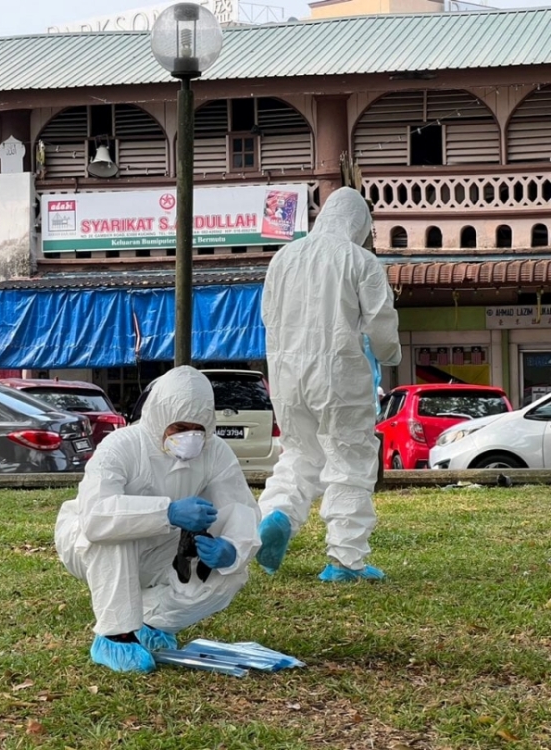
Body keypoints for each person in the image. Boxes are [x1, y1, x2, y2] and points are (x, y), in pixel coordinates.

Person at [55, 366, 261, 673]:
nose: (189, 437)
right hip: (89, 544)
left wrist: (232, 546)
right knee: (121, 529)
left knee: (229, 574)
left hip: (162, 548)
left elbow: (239, 506)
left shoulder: (215, 452)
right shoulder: (122, 445)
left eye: (198, 427)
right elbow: (96, 516)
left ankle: (151, 623)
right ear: (158, 416)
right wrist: (166, 512)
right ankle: (116, 634)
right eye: (178, 427)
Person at [255, 186, 401, 583]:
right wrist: (391, 357)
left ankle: (275, 516)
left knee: (300, 455)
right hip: (339, 376)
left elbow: (269, 317)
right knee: (349, 461)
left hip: (287, 378)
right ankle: (346, 560)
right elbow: (381, 323)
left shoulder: (282, 258)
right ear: (358, 224)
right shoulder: (359, 259)